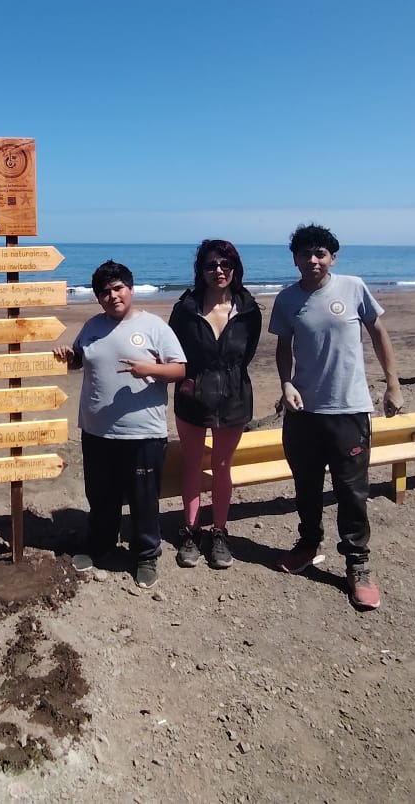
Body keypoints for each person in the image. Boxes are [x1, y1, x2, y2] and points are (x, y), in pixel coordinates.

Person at [269, 224, 402, 610]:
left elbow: (379, 333)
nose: (312, 260)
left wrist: (392, 383)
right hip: (304, 412)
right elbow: (283, 347)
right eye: (304, 254)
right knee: (306, 486)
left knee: (351, 491)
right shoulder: (286, 299)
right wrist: (286, 383)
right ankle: (308, 545)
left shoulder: (353, 287)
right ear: (294, 258)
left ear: (332, 257)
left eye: (320, 253)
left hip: (349, 409)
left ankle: (357, 564)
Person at [54, 260, 187, 590]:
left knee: (143, 499)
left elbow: (180, 370)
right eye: (104, 292)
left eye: (118, 289)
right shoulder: (92, 326)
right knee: (101, 496)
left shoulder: (154, 326)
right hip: (97, 430)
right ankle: (99, 546)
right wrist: (67, 358)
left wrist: (150, 370)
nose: (112, 296)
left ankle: (145, 554)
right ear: (98, 298)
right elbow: (80, 361)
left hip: (143, 433)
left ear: (130, 289)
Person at [168, 239, 262, 570]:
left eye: (225, 264)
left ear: (235, 268)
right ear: (201, 271)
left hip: (235, 399)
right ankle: (191, 532)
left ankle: (219, 532)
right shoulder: (185, 309)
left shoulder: (249, 310)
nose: (218, 270)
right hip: (192, 397)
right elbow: (174, 352)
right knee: (193, 465)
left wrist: (227, 380)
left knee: (223, 466)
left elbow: (245, 356)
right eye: (210, 265)